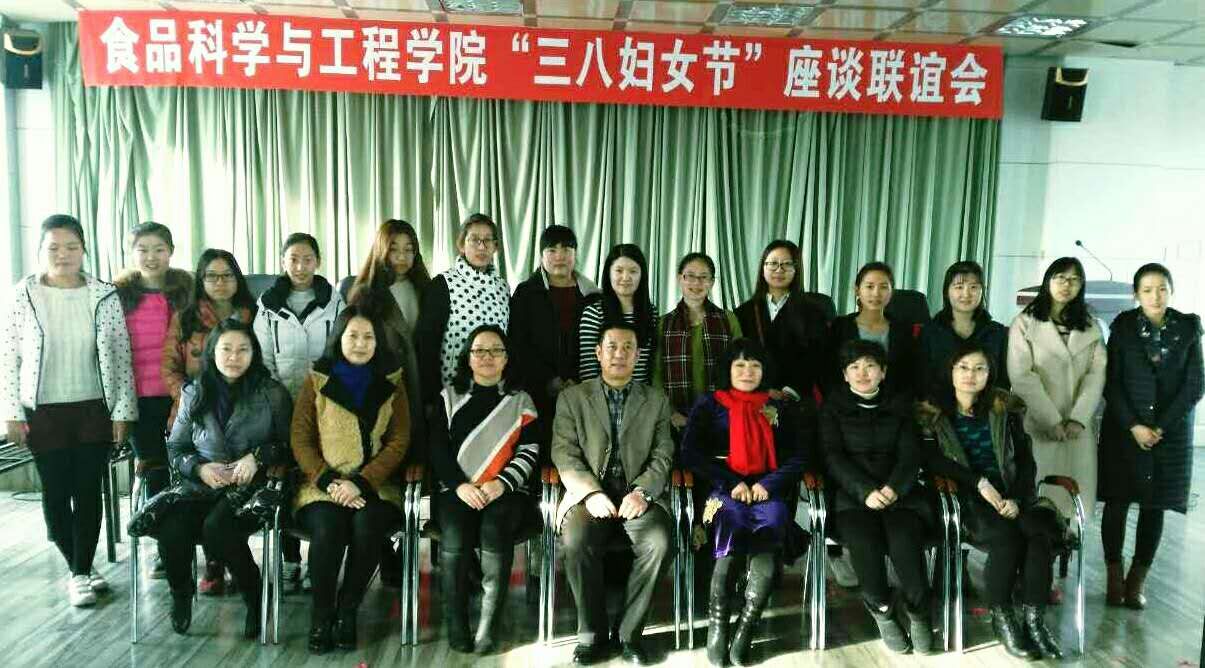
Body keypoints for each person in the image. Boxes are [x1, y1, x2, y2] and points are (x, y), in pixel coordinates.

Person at [0, 214, 138, 607]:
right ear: (41, 251)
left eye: (71, 247)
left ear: (83, 250)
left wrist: (123, 411)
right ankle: (80, 566)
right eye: (54, 248)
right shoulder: (23, 295)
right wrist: (11, 413)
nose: (63, 254)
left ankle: (79, 573)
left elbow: (121, 355)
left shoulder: (103, 294)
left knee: (89, 491)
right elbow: (7, 357)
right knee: (56, 493)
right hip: (43, 410)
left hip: (94, 407)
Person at [918, 342, 1067, 660]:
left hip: (1010, 496)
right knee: (1008, 538)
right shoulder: (933, 413)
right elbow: (932, 461)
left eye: (979, 368)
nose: (970, 375)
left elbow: (1025, 461)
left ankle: (1034, 623)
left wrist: (1017, 498)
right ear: (950, 371)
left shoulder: (1004, 409)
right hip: (965, 500)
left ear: (990, 374)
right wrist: (979, 482)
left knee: (1039, 534)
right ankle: (1003, 619)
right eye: (963, 367)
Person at [159, 318, 293, 637]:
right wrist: (199, 468)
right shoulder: (194, 391)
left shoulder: (271, 392)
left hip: (253, 486)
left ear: (254, 353)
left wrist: (258, 457)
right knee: (171, 527)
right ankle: (181, 593)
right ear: (212, 352)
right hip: (203, 484)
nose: (234, 357)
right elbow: (176, 447)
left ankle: (254, 594)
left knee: (218, 527)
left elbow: (292, 446)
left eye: (243, 350)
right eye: (226, 349)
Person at [680, 339, 809, 667]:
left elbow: (799, 456)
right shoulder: (709, 404)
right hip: (718, 491)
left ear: (765, 371)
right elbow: (690, 453)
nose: (747, 372)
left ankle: (747, 626)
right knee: (729, 522)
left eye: (755, 366)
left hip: (769, 490)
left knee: (774, 521)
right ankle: (719, 624)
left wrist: (767, 484)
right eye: (740, 365)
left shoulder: (778, 406)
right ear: (728, 369)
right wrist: (731, 482)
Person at [290, 306, 411, 654]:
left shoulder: (392, 382)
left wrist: (362, 482)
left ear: (378, 342)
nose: (360, 343)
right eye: (353, 336)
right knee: (328, 528)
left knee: (367, 525)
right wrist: (329, 481)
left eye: (368, 337)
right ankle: (321, 615)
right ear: (338, 339)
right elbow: (300, 438)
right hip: (321, 485)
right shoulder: (317, 379)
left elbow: (399, 440)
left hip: (375, 486)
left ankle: (347, 610)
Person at [553, 321, 674, 666]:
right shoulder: (573, 398)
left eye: (627, 348)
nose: (619, 354)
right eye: (612, 347)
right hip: (589, 497)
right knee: (576, 541)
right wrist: (590, 493)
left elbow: (663, 454)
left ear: (637, 355)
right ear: (598, 353)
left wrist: (642, 492)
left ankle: (628, 634)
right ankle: (591, 635)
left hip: (638, 496)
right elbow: (564, 452)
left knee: (660, 542)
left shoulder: (656, 400)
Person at [1098, 263, 1203, 610]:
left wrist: (1161, 427)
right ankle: (1114, 577)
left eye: (1162, 289)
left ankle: (1136, 581)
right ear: (1136, 294)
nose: (1155, 296)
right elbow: (1111, 381)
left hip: (1168, 434)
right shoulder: (1123, 326)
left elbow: (1195, 384)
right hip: (1124, 431)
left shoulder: (1189, 327)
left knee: (1154, 505)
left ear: (1171, 291)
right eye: (1147, 290)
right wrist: (1134, 425)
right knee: (1117, 502)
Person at [430, 325, 539, 654]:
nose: (487, 357)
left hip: (506, 491)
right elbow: (438, 449)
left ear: (506, 358)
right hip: (457, 490)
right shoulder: (449, 397)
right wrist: (460, 485)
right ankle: (457, 625)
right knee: (455, 534)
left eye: (496, 350)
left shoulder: (521, 400)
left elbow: (529, 451)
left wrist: (501, 483)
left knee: (495, 528)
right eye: (479, 350)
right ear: (468, 357)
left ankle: (488, 627)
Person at [819, 340, 933, 655]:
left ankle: (919, 613)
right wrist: (865, 491)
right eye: (854, 367)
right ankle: (883, 611)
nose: (862, 373)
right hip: (853, 499)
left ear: (883, 372)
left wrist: (894, 488)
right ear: (844, 375)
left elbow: (911, 454)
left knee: (905, 543)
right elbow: (832, 456)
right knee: (865, 546)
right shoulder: (833, 407)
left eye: (870, 366)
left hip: (900, 496)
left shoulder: (900, 405)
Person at [161, 248, 257, 595]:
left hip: (245, 413)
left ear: (237, 279)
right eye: (212, 276)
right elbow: (169, 367)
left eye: (227, 275)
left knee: (231, 498)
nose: (220, 282)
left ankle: (231, 561)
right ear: (201, 281)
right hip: (197, 416)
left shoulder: (254, 314)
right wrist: (192, 399)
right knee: (205, 487)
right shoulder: (185, 318)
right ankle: (213, 565)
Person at [344, 219, 431, 586]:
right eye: (394, 248)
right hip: (382, 394)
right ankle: (384, 551)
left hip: (422, 390)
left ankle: (410, 547)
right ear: (380, 250)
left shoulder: (426, 288)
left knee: (414, 473)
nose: (402, 256)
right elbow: (350, 346)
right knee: (380, 472)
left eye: (409, 249)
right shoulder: (364, 293)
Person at [254, 233, 345, 584]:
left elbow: (340, 352)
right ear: (283, 262)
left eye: (307, 259)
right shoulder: (268, 304)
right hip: (280, 403)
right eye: (293, 259)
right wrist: (278, 396)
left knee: (317, 476)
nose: (300, 266)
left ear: (318, 261)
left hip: (324, 404)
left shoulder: (334, 302)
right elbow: (262, 357)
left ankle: (318, 557)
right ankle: (289, 557)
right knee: (282, 478)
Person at [114, 222, 193, 580]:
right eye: (143, 249)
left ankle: (198, 545)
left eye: (159, 249)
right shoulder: (118, 295)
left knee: (188, 471)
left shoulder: (186, 291)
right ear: (132, 254)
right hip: (138, 401)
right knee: (156, 474)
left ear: (171, 252)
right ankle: (166, 550)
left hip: (182, 396)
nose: (151, 256)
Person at [1007, 257, 1106, 522]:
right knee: (1037, 494)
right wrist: (1051, 419)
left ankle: (1068, 542)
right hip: (1038, 421)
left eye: (1074, 280)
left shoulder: (1091, 326)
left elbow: (1096, 375)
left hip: (1077, 428)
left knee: (1072, 500)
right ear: (1047, 281)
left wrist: (1078, 418)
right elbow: (1021, 375)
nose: (1066, 285)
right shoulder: (1025, 323)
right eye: (1060, 278)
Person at [508, 225, 599, 456]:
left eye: (566, 249)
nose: (560, 256)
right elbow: (518, 345)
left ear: (575, 254)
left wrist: (578, 382)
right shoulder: (526, 293)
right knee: (539, 455)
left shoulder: (593, 296)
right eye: (552, 250)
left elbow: (599, 344)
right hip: (537, 393)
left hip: (584, 393)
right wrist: (550, 380)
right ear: (541, 255)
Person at [415, 213, 511, 409]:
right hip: (449, 394)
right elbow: (427, 347)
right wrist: (431, 398)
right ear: (461, 245)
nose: (482, 247)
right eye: (474, 240)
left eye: (488, 240)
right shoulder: (442, 285)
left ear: (495, 247)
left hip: (494, 392)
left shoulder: (503, 288)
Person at [653, 252, 742, 433]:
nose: (696, 283)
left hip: (722, 414)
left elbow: (741, 366)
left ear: (712, 282)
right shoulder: (664, 323)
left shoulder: (728, 320)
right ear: (680, 279)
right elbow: (656, 375)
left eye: (703, 277)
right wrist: (670, 413)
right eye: (690, 276)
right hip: (676, 418)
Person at [734, 240, 827, 405]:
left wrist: (790, 391)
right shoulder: (744, 312)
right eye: (773, 264)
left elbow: (817, 357)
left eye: (787, 264)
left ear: (796, 269)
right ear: (763, 268)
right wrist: (763, 389)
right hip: (754, 396)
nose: (779, 270)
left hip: (797, 399)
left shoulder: (813, 312)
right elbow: (738, 357)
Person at [916, 260, 1010, 400]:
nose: (966, 294)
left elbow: (1002, 382)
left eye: (973, 287)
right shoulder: (930, 332)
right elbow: (921, 380)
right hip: (938, 408)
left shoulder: (997, 333)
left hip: (984, 408)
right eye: (959, 287)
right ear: (947, 291)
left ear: (982, 291)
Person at [826, 262, 917, 399]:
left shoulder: (902, 330)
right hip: (846, 404)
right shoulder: (840, 327)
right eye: (869, 286)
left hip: (892, 405)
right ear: (857, 290)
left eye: (883, 287)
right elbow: (829, 373)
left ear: (892, 292)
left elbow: (909, 375)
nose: (876, 293)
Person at [577, 244, 658, 385]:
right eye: (619, 271)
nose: (626, 277)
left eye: (633, 271)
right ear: (609, 274)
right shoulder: (594, 313)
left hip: (642, 395)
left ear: (642, 275)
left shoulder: (651, 313)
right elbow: (588, 370)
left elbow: (651, 367)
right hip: (602, 395)